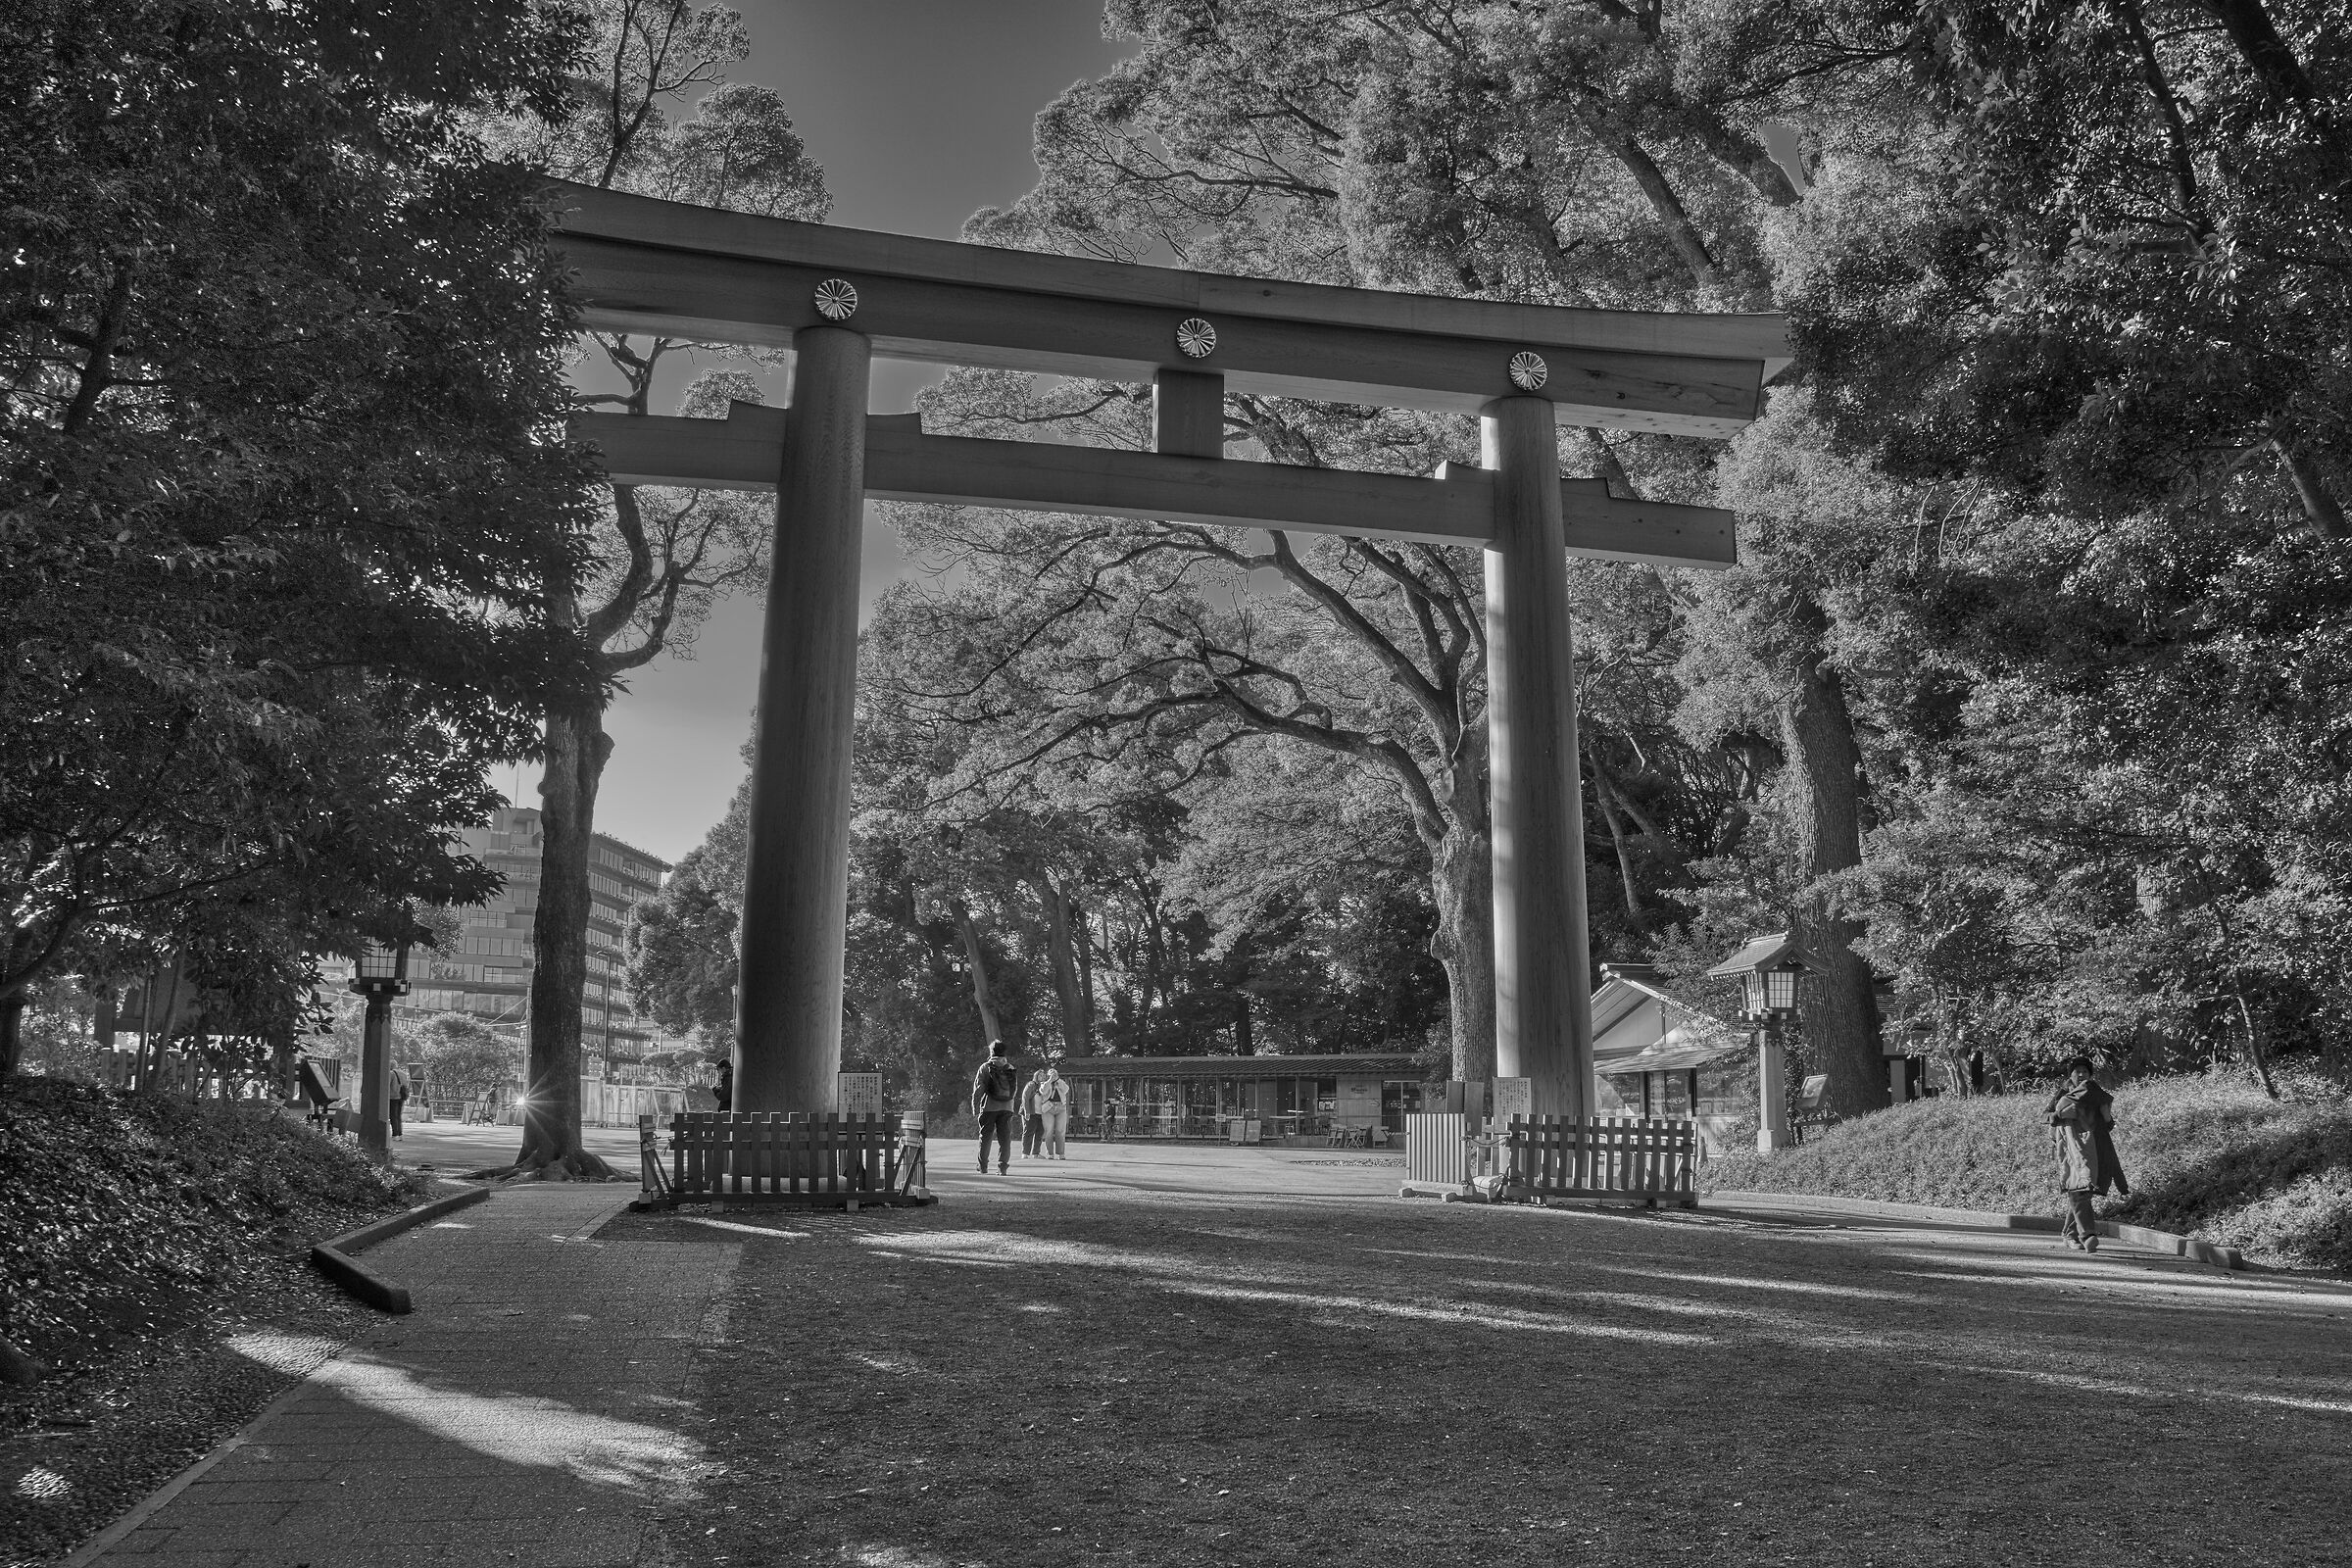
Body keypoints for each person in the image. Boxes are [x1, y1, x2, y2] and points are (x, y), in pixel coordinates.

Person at [2046, 1055, 2129, 1250]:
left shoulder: (2096, 1095)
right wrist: (2059, 1115)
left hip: (2092, 1148)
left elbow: (2105, 1125)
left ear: (2091, 1075)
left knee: (2083, 1190)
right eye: (2077, 1071)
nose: (2081, 1074)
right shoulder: (2063, 1094)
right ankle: (2088, 1234)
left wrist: (2108, 1118)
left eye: (2085, 1071)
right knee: (2079, 1190)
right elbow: (2045, 1116)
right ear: (2071, 1075)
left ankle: (2069, 1234)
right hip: (2068, 1149)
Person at [971, 1040, 1018, 1174]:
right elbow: (1014, 1089)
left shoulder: (985, 1067)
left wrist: (975, 1107)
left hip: (989, 1107)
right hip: (1007, 1107)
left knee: (985, 1137)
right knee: (1005, 1138)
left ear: (991, 1052)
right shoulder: (1010, 1067)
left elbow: (978, 1089)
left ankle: (983, 1166)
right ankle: (1002, 1167)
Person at [1038, 1064, 1070, 1158]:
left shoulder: (1061, 1082)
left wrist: (1058, 1080)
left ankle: (1061, 1153)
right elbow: (1043, 1091)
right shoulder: (1044, 1083)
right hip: (1048, 1108)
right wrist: (1050, 1080)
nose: (1053, 1075)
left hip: (1060, 1107)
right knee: (1049, 1131)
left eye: (1054, 1074)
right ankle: (1050, 1153)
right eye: (1051, 1074)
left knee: (1060, 1131)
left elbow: (1066, 1090)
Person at [1020, 1067, 1048, 1158]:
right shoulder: (1031, 1085)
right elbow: (1025, 1098)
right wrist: (1027, 1112)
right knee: (1028, 1132)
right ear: (1036, 1076)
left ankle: (1036, 1153)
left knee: (1039, 1133)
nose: (1042, 1077)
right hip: (1031, 1113)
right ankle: (1025, 1153)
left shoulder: (1045, 1086)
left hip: (1041, 1114)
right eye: (1040, 1075)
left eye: (1044, 1076)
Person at [388, 1060, 411, 1138]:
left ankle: (395, 1134)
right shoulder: (403, 1074)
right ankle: (400, 1133)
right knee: (398, 1116)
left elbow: (387, 1085)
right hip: (402, 1097)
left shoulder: (391, 1074)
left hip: (393, 1097)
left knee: (393, 1116)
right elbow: (406, 1085)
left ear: (390, 1066)